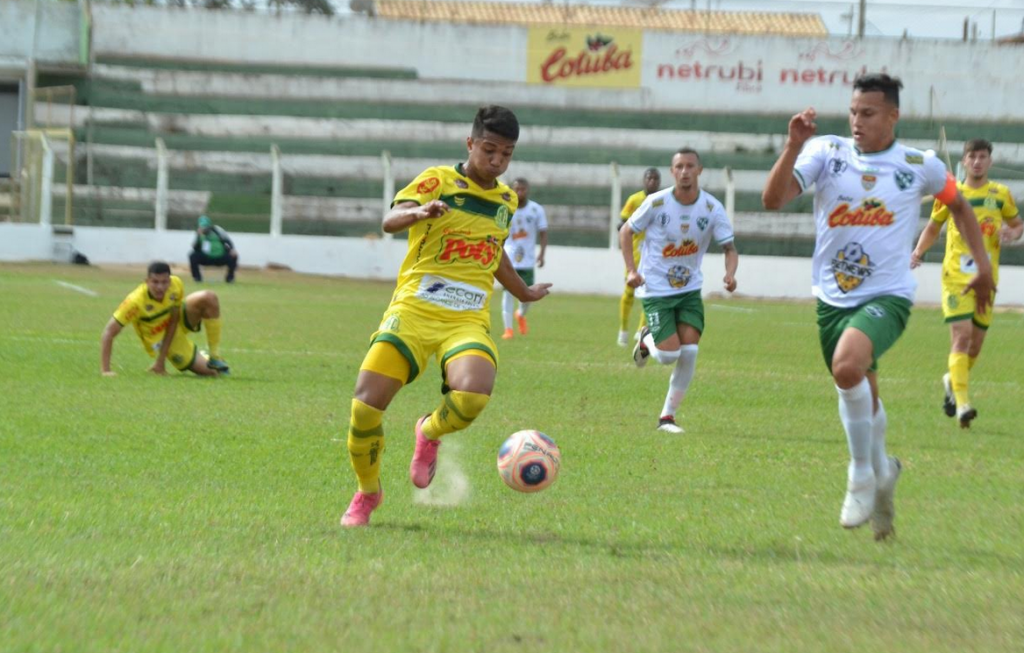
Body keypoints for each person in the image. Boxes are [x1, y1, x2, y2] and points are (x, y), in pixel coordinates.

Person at [761, 73, 995, 540]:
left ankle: (861, 476)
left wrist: (983, 267)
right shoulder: (826, 153)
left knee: (847, 368)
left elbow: (961, 208)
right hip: (831, 298)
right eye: (852, 112)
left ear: (893, 116)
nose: (856, 121)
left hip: (888, 296)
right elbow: (772, 200)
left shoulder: (918, 164)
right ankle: (885, 474)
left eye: (867, 113)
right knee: (863, 390)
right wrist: (791, 147)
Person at [341, 105, 552, 528]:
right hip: (415, 309)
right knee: (365, 409)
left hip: (466, 317)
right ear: (470, 143)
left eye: (506, 154)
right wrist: (417, 214)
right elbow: (389, 220)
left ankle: (428, 433)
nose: (496, 161)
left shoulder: (506, 200)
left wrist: (523, 290)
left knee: (473, 396)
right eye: (489, 150)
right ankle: (367, 493)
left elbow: (494, 255)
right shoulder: (437, 179)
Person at [622, 149, 738, 434]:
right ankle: (646, 340)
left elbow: (730, 248)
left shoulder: (712, 208)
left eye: (690, 166)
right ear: (672, 172)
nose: (684, 171)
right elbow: (626, 231)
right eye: (679, 166)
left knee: (690, 351)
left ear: (699, 170)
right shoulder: (656, 202)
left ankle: (667, 418)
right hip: (656, 290)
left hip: (689, 291)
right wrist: (631, 270)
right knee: (668, 356)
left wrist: (730, 274)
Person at [911, 139, 1023, 428]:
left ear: (990, 162)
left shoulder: (1001, 194)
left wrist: (1012, 234)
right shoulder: (951, 194)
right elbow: (934, 226)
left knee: (974, 347)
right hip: (956, 277)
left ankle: (952, 380)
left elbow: (1017, 224)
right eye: (972, 156)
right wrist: (918, 251)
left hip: (987, 279)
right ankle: (963, 405)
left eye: (982, 157)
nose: (977, 162)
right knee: (961, 337)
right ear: (963, 162)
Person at [100, 261, 230, 377]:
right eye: (155, 282)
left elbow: (173, 320)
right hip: (160, 337)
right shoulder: (134, 302)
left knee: (209, 297)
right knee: (215, 374)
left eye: (164, 282)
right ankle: (203, 359)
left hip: (175, 322)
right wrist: (106, 370)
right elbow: (108, 332)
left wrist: (160, 362)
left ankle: (214, 356)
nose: (160, 287)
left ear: (170, 280)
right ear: (147, 281)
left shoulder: (176, 284)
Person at [617, 167, 661, 346]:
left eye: (655, 179)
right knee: (629, 292)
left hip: (654, 254)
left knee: (649, 293)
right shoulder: (634, 200)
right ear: (644, 180)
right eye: (649, 178)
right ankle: (623, 329)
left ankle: (640, 331)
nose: (652, 182)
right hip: (635, 252)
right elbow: (621, 224)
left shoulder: (663, 201)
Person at [501, 178, 548, 340]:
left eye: (523, 189)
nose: (520, 192)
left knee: (527, 294)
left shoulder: (536, 210)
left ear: (527, 190)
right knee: (507, 294)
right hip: (509, 258)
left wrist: (542, 253)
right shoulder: (506, 208)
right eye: (517, 189)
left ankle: (520, 314)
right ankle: (508, 330)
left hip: (527, 260)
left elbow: (543, 232)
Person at [190, 215, 238, 283]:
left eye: (205, 226)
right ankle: (197, 278)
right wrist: (198, 237)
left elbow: (227, 241)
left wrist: (232, 249)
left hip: (220, 256)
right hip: (206, 257)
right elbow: (195, 248)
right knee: (192, 256)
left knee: (233, 256)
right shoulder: (199, 234)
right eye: (202, 226)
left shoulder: (217, 230)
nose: (204, 228)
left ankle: (230, 278)